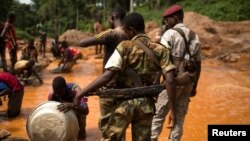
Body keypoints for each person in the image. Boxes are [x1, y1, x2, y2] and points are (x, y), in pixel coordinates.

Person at [74, 12, 176, 141]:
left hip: (125, 104)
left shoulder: (124, 47)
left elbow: (107, 76)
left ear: (131, 30)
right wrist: (173, 110)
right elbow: (170, 80)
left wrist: (81, 93)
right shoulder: (161, 49)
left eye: (126, 31)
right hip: (147, 105)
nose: (125, 35)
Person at [151, 4, 202, 141]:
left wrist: (156, 82)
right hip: (188, 82)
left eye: (167, 20)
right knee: (179, 119)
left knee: (157, 117)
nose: (166, 23)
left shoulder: (169, 34)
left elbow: (160, 61)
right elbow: (198, 64)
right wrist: (195, 86)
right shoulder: (194, 36)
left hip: (171, 83)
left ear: (175, 17)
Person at [79, 6, 128, 136]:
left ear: (112, 18)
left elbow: (82, 43)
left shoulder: (112, 34)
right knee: (120, 124)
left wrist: (102, 36)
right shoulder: (131, 34)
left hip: (109, 85)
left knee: (107, 126)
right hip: (126, 87)